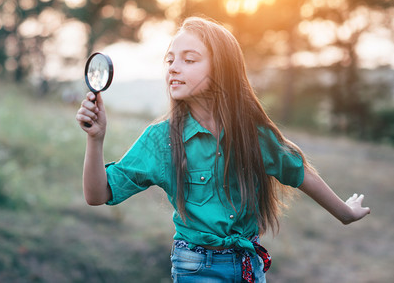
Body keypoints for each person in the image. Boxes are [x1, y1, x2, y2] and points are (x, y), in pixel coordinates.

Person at [75, 16, 370, 283]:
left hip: (249, 266)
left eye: (189, 60)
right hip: (196, 268)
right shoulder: (161, 139)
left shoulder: (253, 133)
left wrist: (345, 213)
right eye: (170, 60)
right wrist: (95, 140)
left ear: (222, 69)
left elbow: (299, 172)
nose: (174, 68)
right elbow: (97, 194)